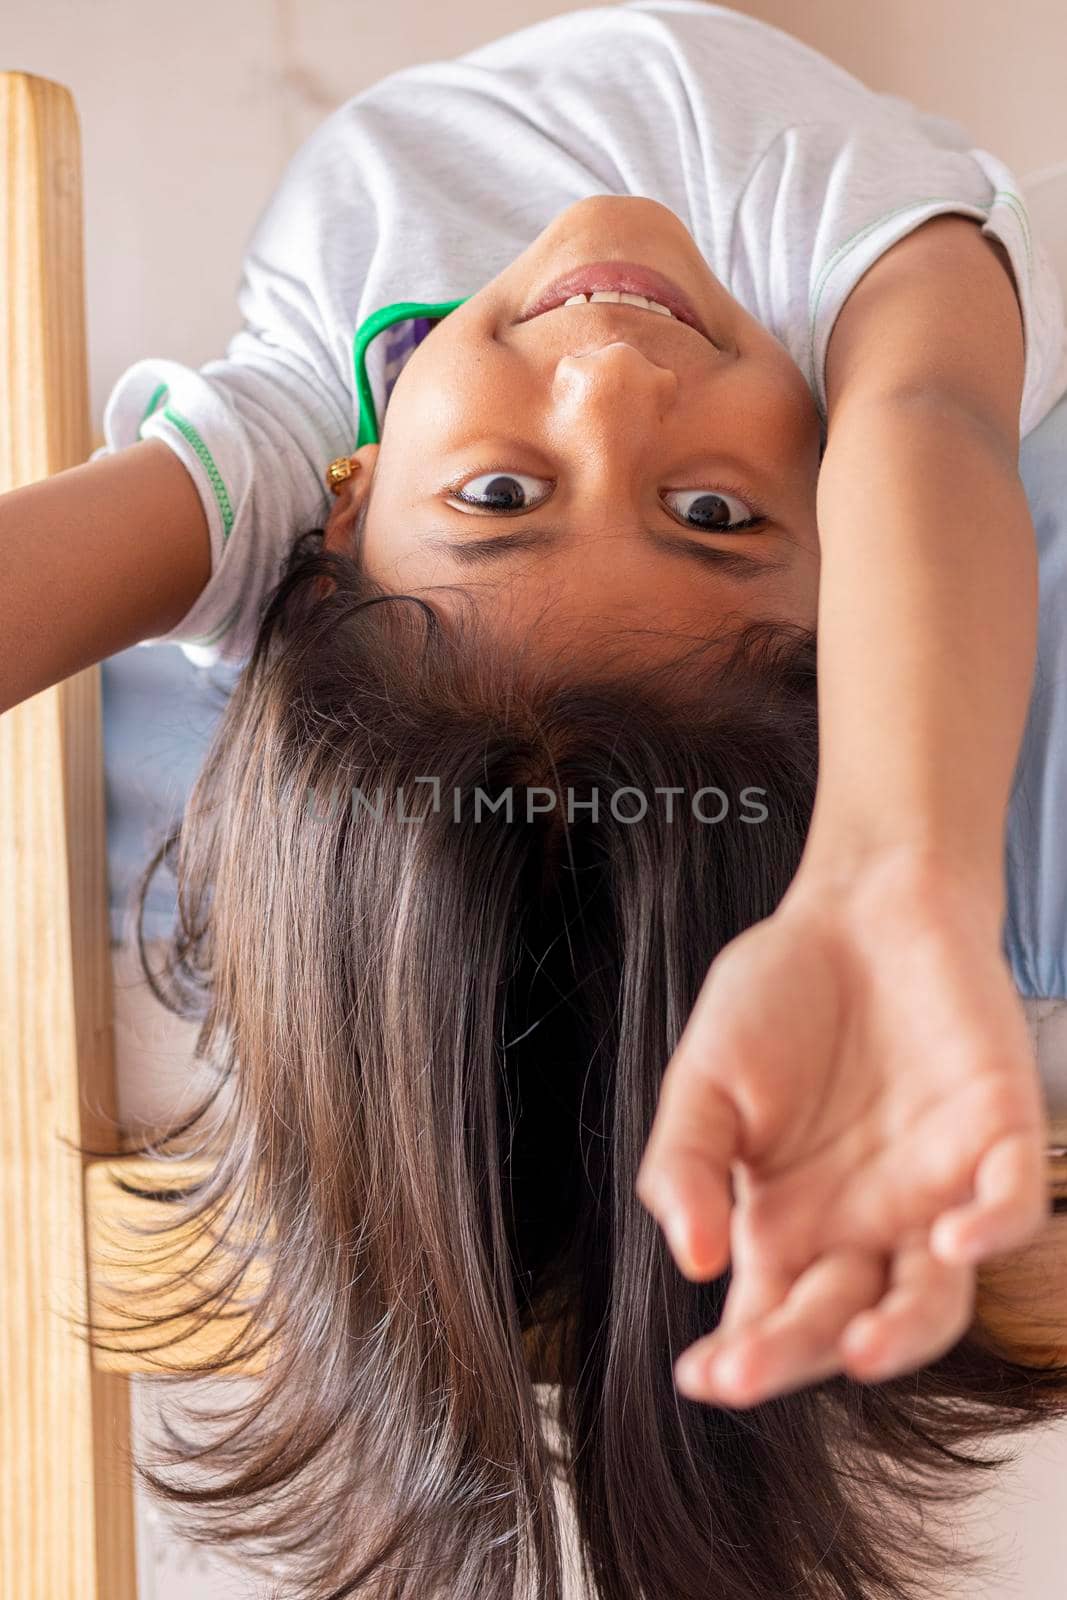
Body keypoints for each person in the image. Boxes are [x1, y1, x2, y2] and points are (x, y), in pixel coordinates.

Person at [5, 4, 1067, 1595]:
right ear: (852, 568)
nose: (613, 388)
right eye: (713, 515)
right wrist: (898, 874)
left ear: (329, 539)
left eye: (501, 500)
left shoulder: (302, 438)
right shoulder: (866, 339)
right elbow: (935, 426)